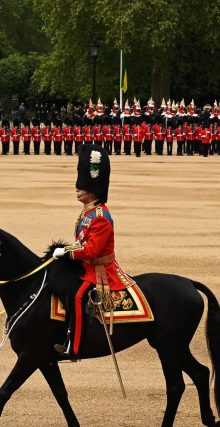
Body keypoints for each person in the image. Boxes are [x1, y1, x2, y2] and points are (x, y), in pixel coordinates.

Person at [51, 145, 134, 360]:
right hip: (87, 263)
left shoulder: (100, 216)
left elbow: (91, 250)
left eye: (82, 187)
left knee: (77, 295)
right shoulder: (88, 212)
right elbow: (82, 242)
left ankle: (74, 347)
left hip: (100, 269)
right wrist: (66, 250)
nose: (77, 189)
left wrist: (67, 254)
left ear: (93, 190)